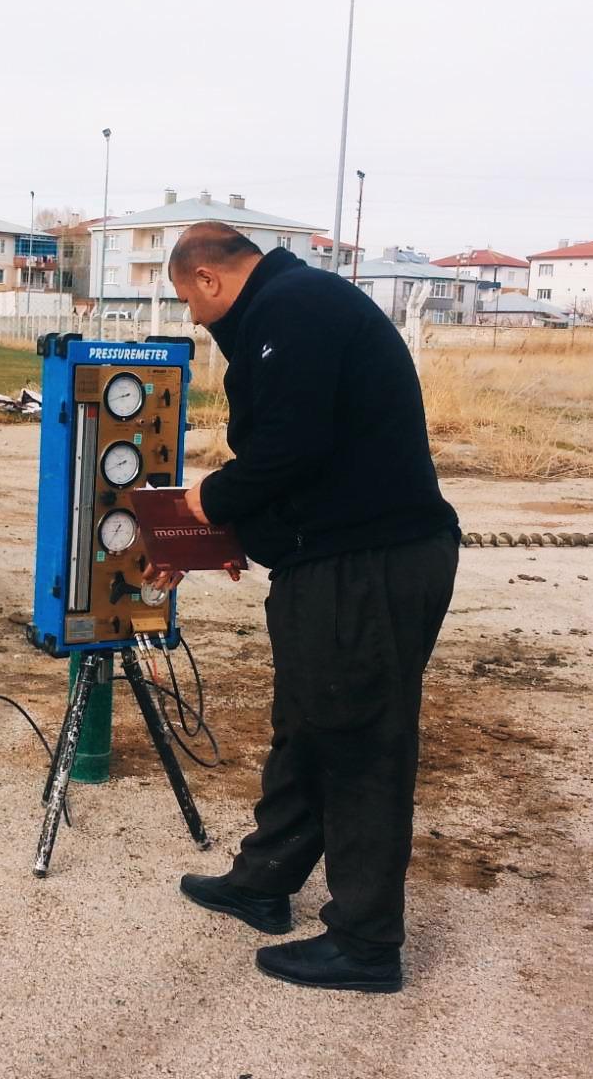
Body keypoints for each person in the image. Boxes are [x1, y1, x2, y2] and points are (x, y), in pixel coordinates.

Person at [146, 221, 459, 994]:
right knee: (310, 723)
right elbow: (314, 460)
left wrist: (205, 500)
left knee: (359, 743)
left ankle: (364, 942)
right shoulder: (297, 306)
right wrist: (237, 534)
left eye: (188, 299)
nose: (192, 317)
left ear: (211, 281)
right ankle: (265, 881)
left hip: (368, 566)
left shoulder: (293, 309)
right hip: (338, 561)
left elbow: (290, 449)